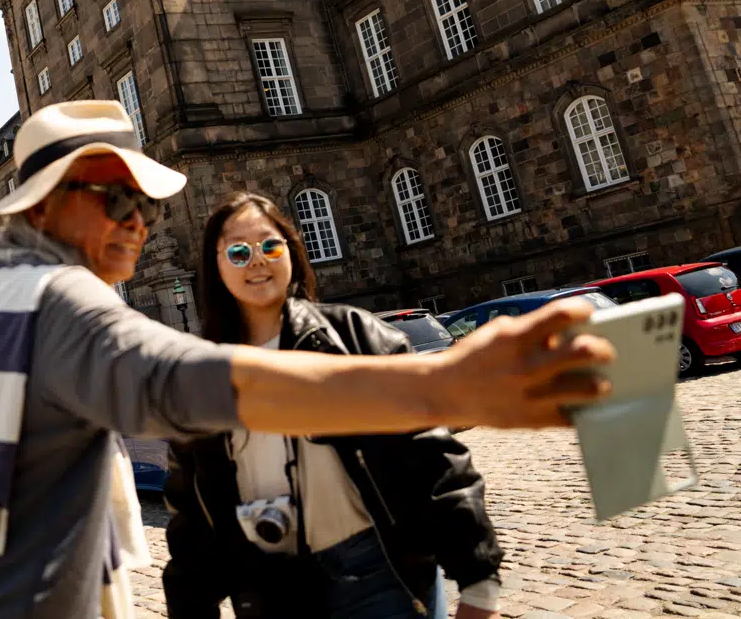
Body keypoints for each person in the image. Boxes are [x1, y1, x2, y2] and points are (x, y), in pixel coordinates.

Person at [0, 100, 613, 619]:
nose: (136, 224)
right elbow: (185, 387)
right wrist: (445, 381)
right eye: (113, 199)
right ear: (42, 210)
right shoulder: (51, 295)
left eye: (148, 206)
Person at [163, 192, 502, 619]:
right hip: (273, 588)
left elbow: (435, 459)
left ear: (291, 250)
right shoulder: (203, 377)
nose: (257, 260)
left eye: (270, 245)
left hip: (376, 569)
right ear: (216, 266)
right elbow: (191, 516)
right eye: (237, 250)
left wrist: (479, 581)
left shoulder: (355, 337)